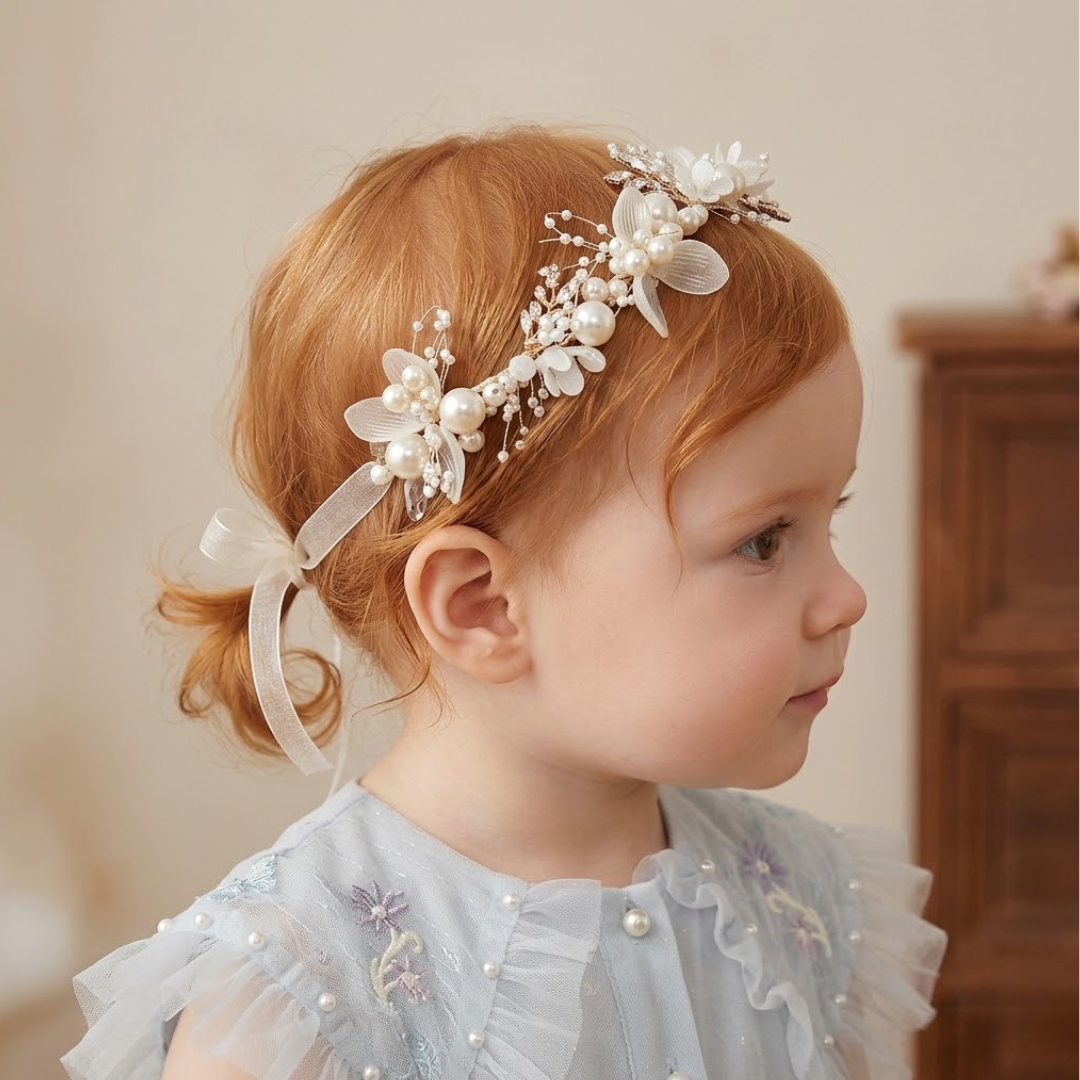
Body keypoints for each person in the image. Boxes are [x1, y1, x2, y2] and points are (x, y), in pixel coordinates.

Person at [61, 126, 946, 1080]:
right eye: (765, 540)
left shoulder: (798, 909)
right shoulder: (300, 994)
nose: (847, 598)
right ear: (483, 606)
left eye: (832, 514)